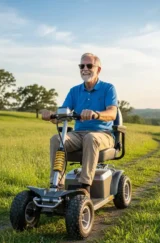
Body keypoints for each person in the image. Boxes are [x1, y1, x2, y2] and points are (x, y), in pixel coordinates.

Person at [41, 53, 118, 196]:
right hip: (78, 134)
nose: (85, 69)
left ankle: (85, 187)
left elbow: (112, 113)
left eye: (89, 65)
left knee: (91, 137)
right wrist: (50, 115)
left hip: (103, 134)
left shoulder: (108, 88)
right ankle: (56, 185)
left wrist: (96, 114)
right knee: (57, 139)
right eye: (81, 66)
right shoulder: (74, 91)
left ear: (98, 70)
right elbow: (62, 115)